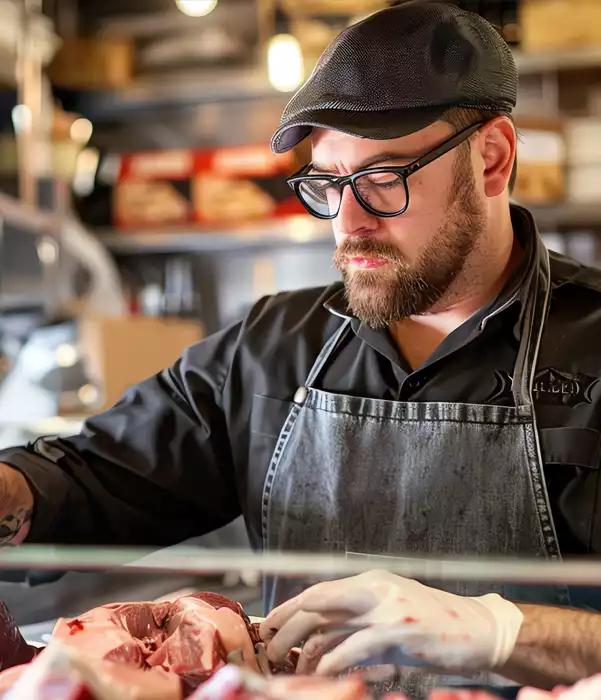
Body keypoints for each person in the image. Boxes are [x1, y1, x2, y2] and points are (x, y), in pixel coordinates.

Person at [1, 0, 601, 696]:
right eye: (326, 183)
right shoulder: (273, 349)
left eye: (382, 181)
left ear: (491, 160)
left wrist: (501, 633)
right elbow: (92, 479)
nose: (347, 224)